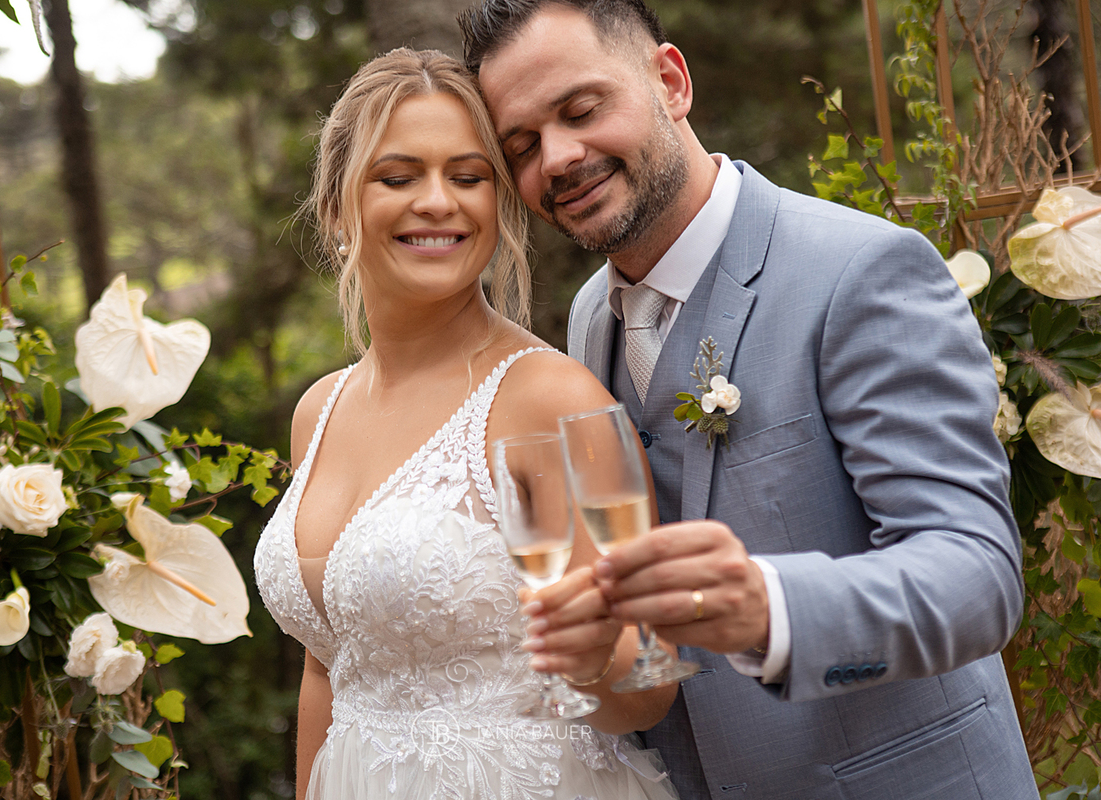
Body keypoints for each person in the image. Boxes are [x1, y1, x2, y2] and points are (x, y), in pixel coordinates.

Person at [458, 1, 1039, 798]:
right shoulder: (590, 320)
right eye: (521, 146)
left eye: (581, 110)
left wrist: (770, 609)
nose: (557, 158)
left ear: (670, 81)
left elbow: (977, 578)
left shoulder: (861, 272)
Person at [252, 48, 683, 800]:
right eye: (398, 177)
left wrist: (584, 643)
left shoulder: (553, 400)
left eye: (468, 176)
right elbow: (330, 664)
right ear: (336, 208)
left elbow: (648, 685)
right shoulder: (316, 414)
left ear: (498, 203)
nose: (437, 202)